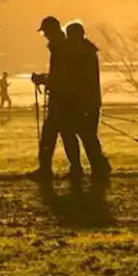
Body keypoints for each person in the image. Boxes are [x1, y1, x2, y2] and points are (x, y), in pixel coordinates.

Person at [27, 16, 82, 181]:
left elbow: (61, 76)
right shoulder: (63, 46)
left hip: (61, 100)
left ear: (51, 31)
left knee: (50, 135)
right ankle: (75, 169)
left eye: (45, 32)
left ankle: (46, 170)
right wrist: (46, 79)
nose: (44, 35)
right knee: (66, 135)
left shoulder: (59, 48)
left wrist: (42, 79)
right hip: (65, 98)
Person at [62, 20, 112, 178]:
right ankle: (98, 166)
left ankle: (91, 167)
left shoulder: (81, 53)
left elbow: (75, 77)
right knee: (87, 135)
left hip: (82, 101)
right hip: (89, 101)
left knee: (81, 134)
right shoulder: (87, 51)